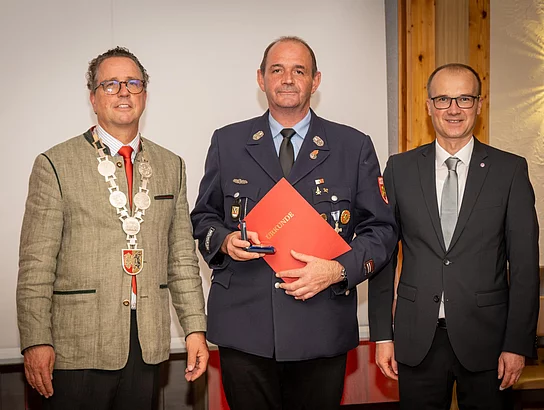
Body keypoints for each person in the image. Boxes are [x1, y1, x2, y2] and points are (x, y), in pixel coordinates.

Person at [190, 36, 397, 409]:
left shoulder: (352, 146)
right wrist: (223, 241)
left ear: (315, 81)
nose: (287, 79)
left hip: (320, 325)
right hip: (244, 327)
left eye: (299, 71)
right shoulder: (228, 142)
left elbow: (381, 231)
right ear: (261, 79)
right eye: (277, 70)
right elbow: (204, 217)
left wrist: (338, 270)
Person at [16, 46, 208, 410]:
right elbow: (36, 265)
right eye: (110, 84)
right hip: (77, 347)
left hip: (147, 344)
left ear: (144, 95)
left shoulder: (172, 165)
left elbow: (182, 258)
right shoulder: (55, 164)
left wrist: (195, 328)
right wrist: (36, 340)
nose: (123, 92)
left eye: (133, 83)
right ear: (93, 98)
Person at [368, 63, 539, 409]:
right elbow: (382, 255)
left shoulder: (509, 170)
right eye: (443, 99)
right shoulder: (400, 169)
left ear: (479, 104)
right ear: (429, 105)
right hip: (417, 338)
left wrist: (517, 343)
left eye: (464, 98)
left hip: (488, 341)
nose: (453, 109)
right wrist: (383, 335)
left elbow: (524, 267)